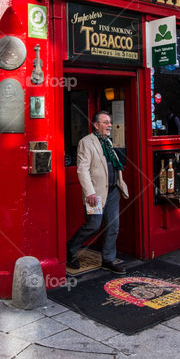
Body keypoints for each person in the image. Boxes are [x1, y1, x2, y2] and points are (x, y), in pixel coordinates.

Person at [66, 111, 130, 275]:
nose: (110, 125)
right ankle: (71, 248)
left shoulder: (108, 142)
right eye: (106, 122)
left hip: (113, 190)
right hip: (95, 193)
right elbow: (83, 170)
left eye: (110, 122)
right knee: (93, 225)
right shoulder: (86, 142)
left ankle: (108, 260)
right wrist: (90, 192)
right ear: (96, 125)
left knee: (113, 225)